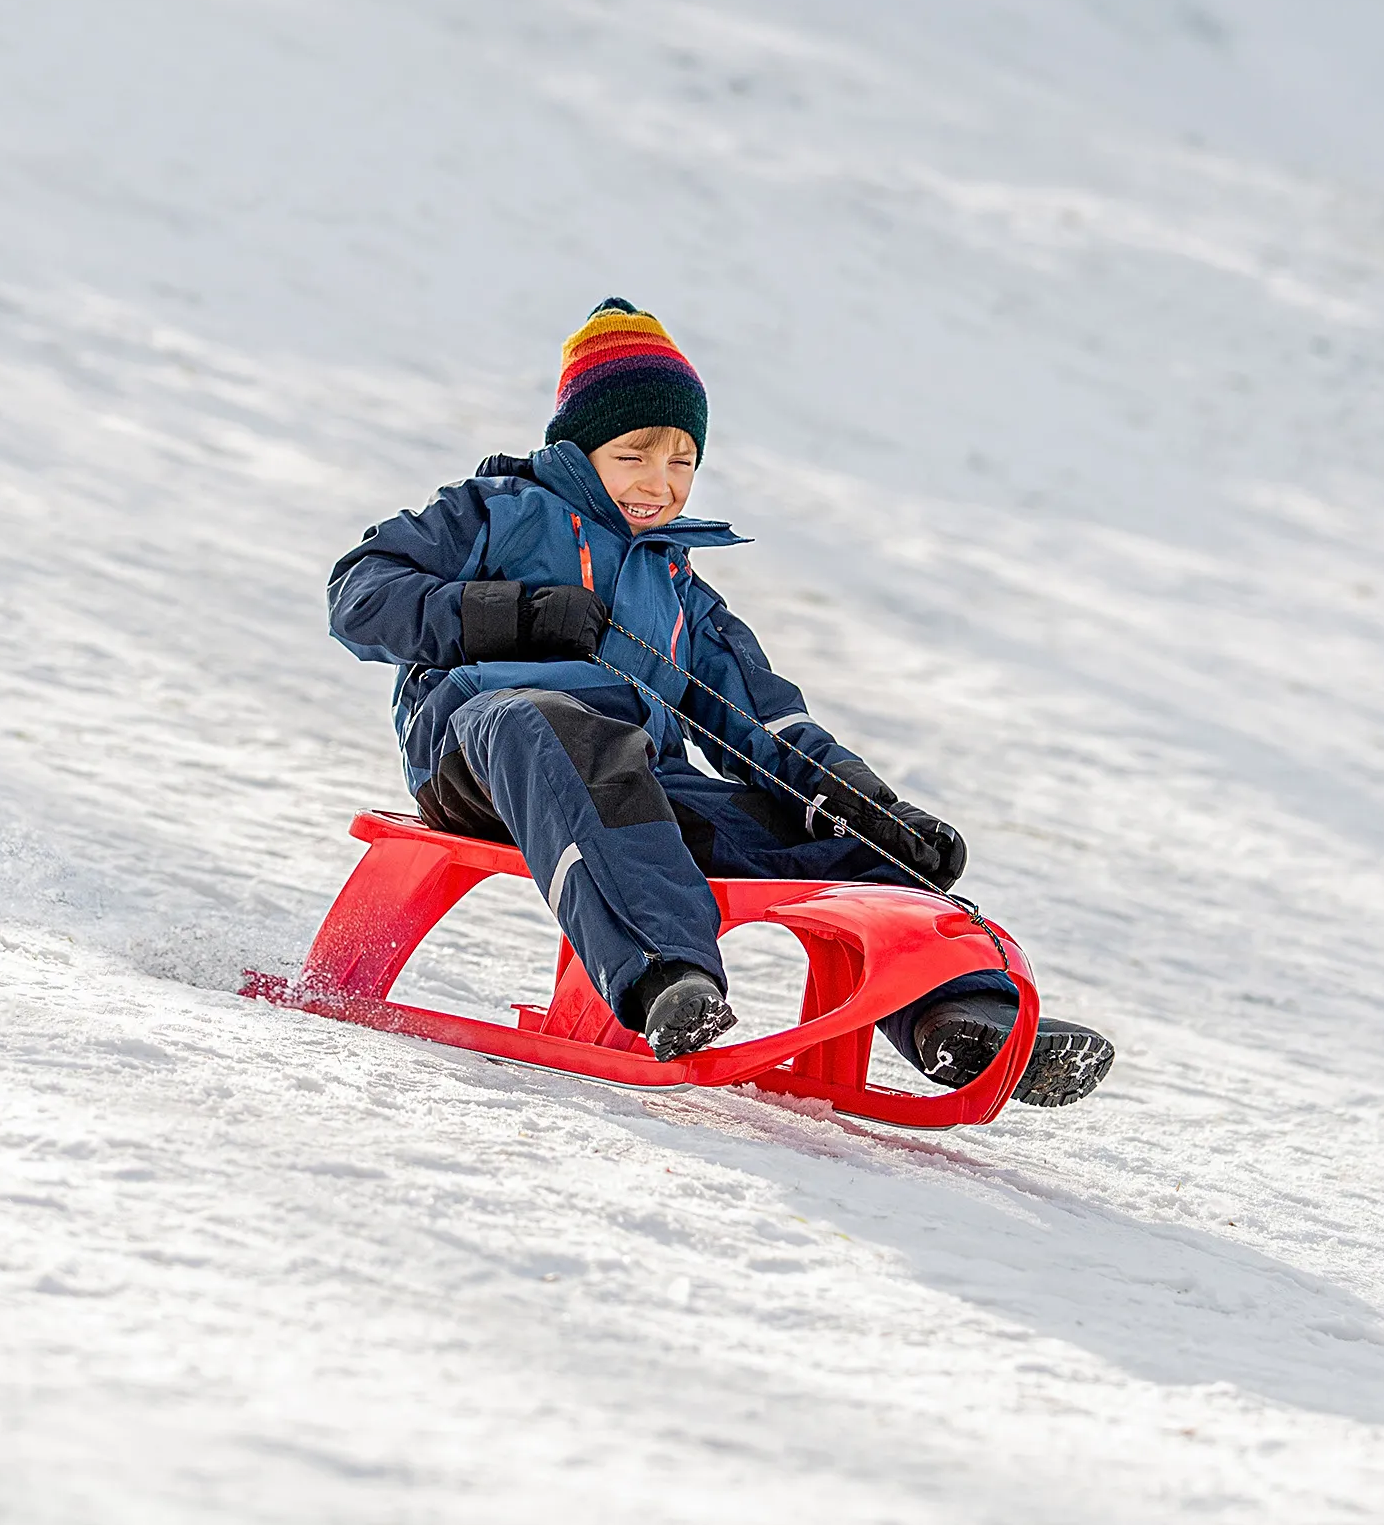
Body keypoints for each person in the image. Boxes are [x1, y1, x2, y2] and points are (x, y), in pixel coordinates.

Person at [327, 297, 1113, 1105]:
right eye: (635, 455)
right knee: (556, 727)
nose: (658, 484)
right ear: (581, 446)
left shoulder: (679, 587)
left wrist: (870, 807)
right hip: (482, 747)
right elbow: (359, 594)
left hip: (636, 781)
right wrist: (512, 614)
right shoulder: (492, 510)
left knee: (825, 841)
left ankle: (967, 1017)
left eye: (681, 463)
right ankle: (667, 977)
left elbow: (761, 721)